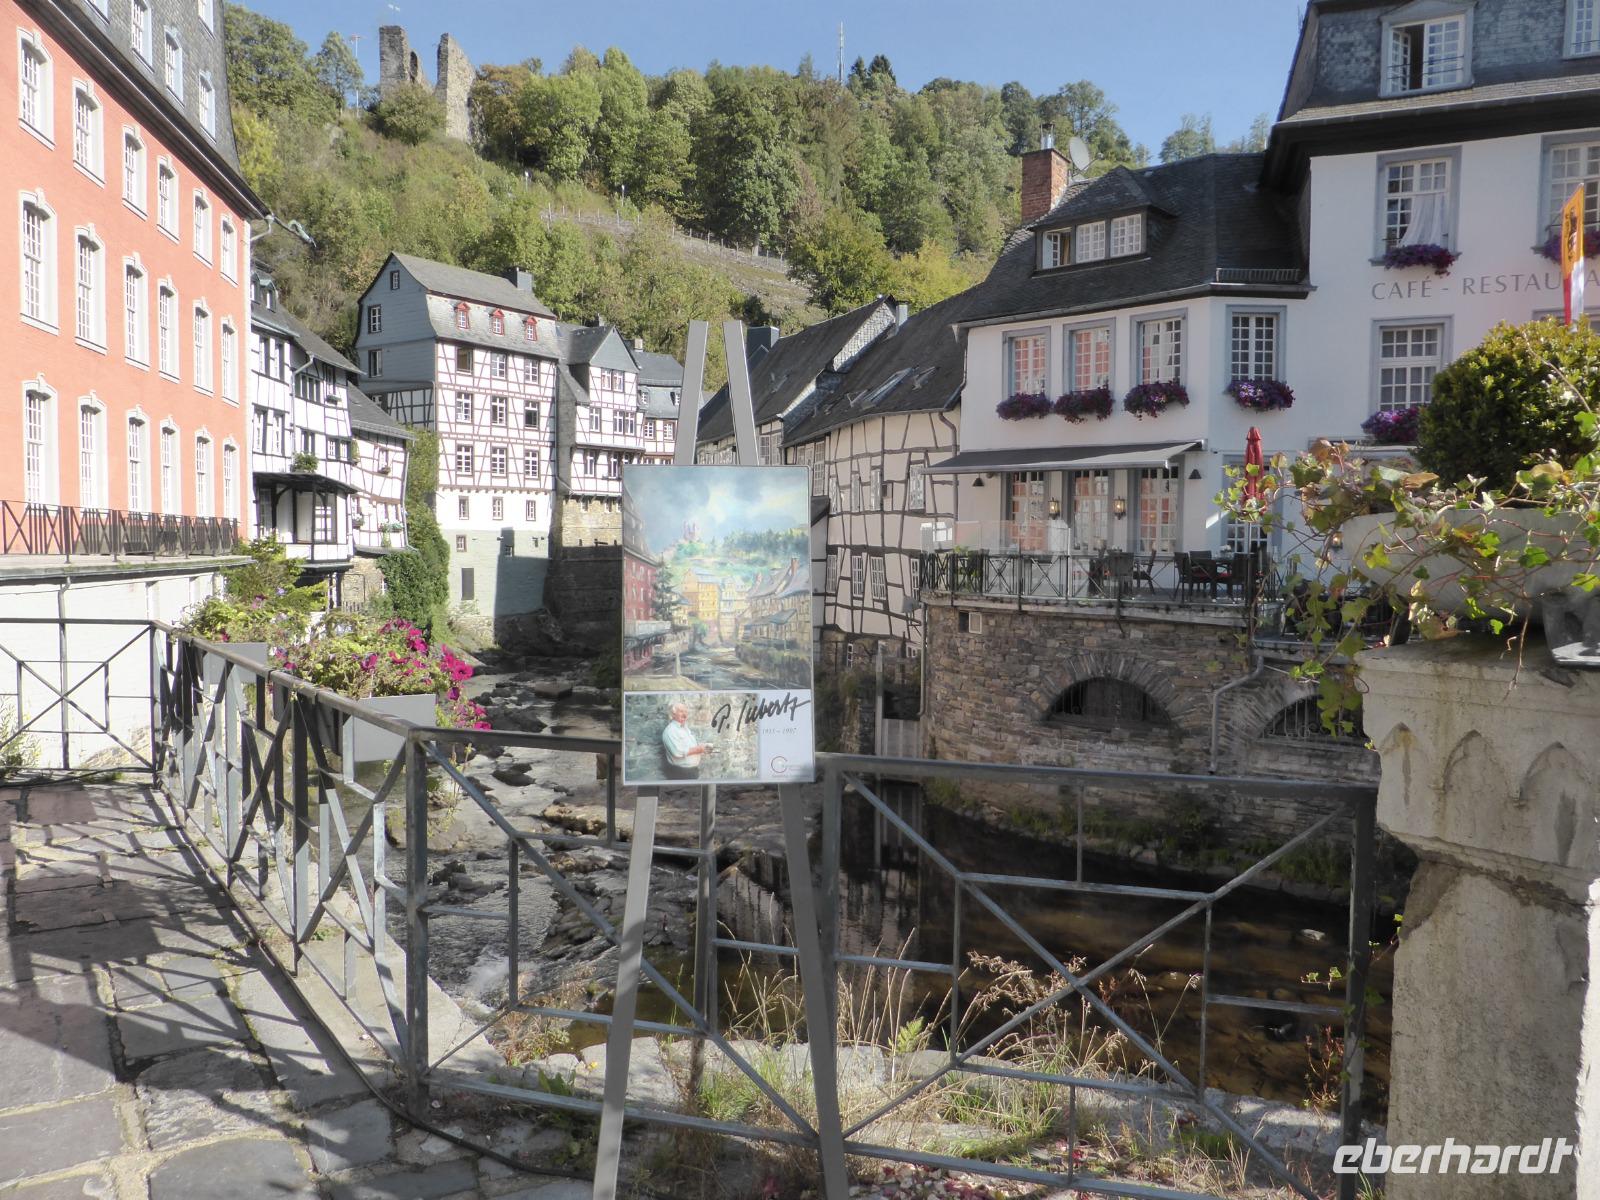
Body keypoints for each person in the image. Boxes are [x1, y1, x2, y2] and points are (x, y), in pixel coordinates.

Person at [660, 702, 713, 780]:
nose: (685, 714)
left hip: (690, 771)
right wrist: (699, 749)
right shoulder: (670, 731)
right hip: (680, 773)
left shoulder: (684, 728)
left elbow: (690, 747)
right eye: (681, 711)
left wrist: (703, 747)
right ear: (673, 714)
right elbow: (677, 752)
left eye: (685, 712)